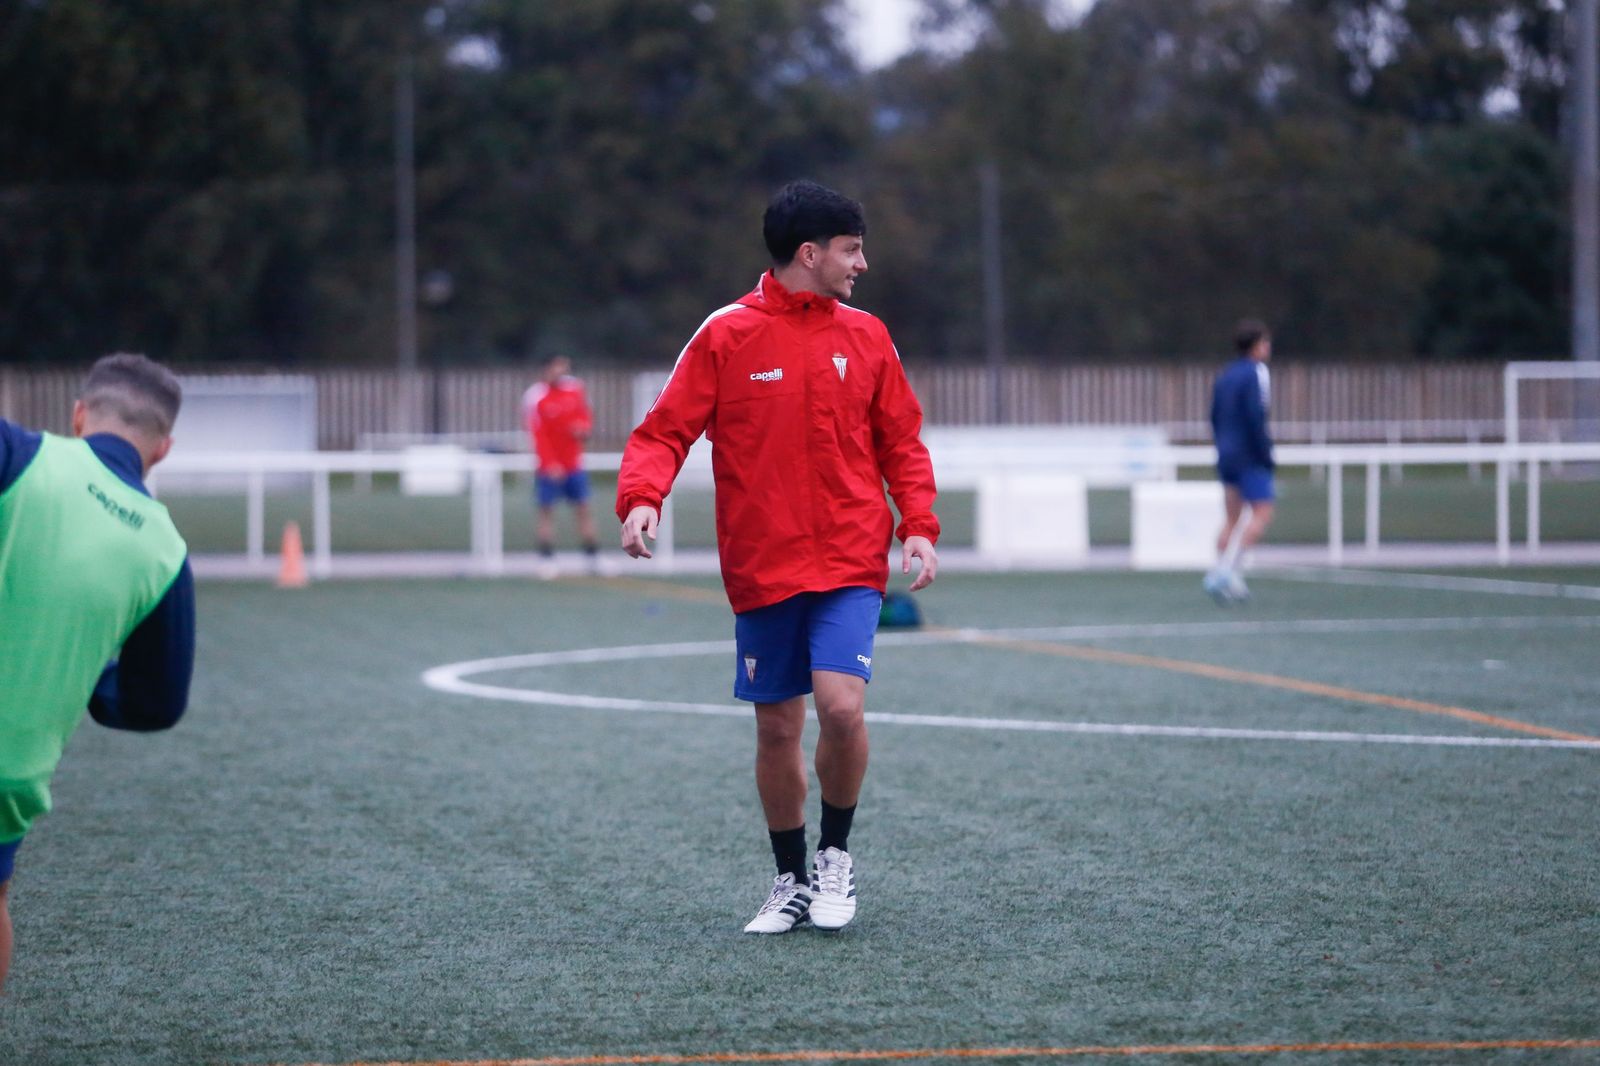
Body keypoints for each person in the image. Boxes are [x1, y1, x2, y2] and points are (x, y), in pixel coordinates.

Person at [617, 179, 940, 934]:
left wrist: (916, 524)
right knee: (775, 729)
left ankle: (835, 858)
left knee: (841, 706)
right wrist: (642, 497)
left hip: (851, 562)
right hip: (763, 565)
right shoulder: (727, 333)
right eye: (852, 249)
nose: (862, 264)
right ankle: (789, 877)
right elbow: (665, 429)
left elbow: (902, 439)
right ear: (811, 252)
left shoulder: (867, 337)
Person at [0, 352, 196, 992]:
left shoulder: (23, 456)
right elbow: (155, 704)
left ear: (79, 415)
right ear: (162, 449)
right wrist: (86, 680)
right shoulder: (166, 550)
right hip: (14, 772)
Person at [1204, 318, 1275, 604]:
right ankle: (1230, 572)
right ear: (1256, 346)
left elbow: (1213, 415)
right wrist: (1265, 453)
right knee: (1262, 511)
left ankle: (1218, 571)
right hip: (1249, 455)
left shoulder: (1225, 375)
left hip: (1227, 454)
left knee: (1232, 517)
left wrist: (1223, 446)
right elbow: (1256, 415)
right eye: (1266, 342)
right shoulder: (1256, 373)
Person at [521, 354, 601, 577]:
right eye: (557, 367)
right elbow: (537, 434)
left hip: (574, 463)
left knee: (584, 509)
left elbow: (585, 417)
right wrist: (549, 463)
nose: (561, 372)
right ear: (547, 368)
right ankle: (546, 559)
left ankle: (593, 557)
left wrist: (583, 429)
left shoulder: (575, 389)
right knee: (546, 512)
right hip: (549, 468)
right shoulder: (535, 397)